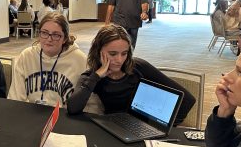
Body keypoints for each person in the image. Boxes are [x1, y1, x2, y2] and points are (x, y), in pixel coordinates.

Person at [66, 24, 195, 125]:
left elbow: (187, 99)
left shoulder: (138, 67)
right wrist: (96, 77)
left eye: (124, 53)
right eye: (113, 54)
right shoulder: (92, 76)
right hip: (111, 129)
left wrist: (167, 127)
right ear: (98, 51)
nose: (119, 60)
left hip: (143, 128)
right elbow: (72, 108)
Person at [8, 12, 87, 107]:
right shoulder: (26, 56)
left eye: (56, 35)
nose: (49, 39)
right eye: (44, 33)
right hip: (34, 114)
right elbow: (15, 98)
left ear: (65, 38)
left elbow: (89, 103)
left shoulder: (80, 60)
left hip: (65, 116)